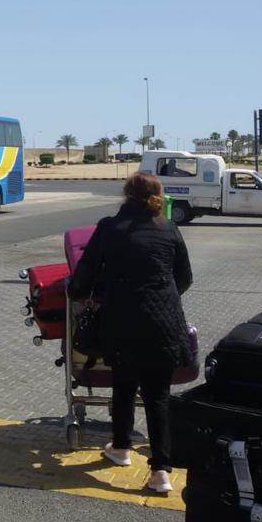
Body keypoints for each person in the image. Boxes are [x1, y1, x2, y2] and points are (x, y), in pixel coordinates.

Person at [70, 171, 194, 495]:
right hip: (164, 323)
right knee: (158, 396)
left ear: (127, 194)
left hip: (122, 320)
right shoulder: (169, 227)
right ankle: (161, 471)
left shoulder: (110, 227)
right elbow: (184, 277)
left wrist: (77, 293)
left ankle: (121, 448)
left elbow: (86, 272)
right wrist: (163, 299)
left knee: (124, 385)